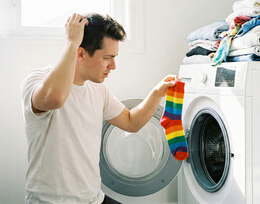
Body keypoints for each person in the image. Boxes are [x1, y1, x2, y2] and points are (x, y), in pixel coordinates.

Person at [21, 13, 178, 204]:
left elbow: (131, 122)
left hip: (93, 199)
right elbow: (55, 98)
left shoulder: (97, 89)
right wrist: (71, 42)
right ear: (80, 53)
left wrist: (156, 92)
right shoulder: (37, 80)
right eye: (108, 57)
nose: (113, 66)